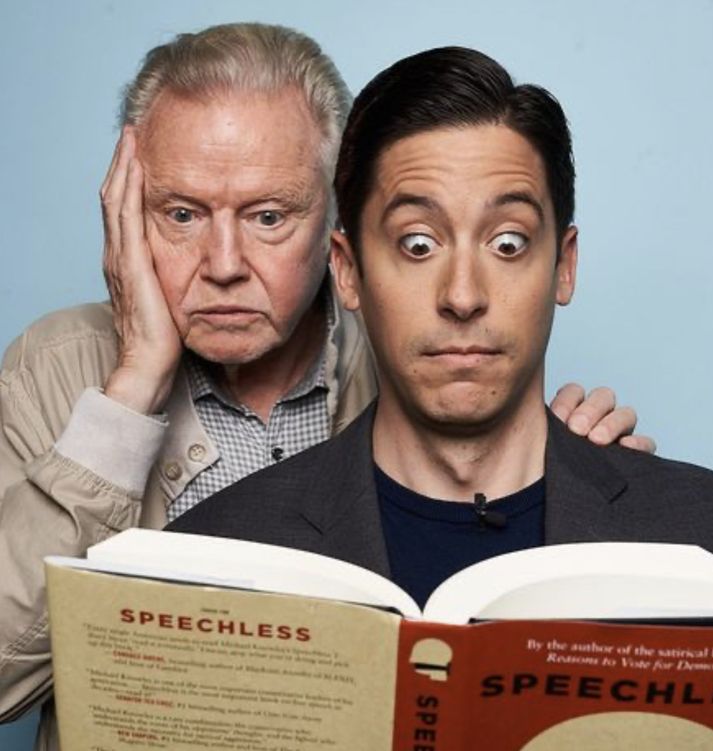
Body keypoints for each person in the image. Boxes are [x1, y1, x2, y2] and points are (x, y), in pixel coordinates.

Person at [0, 24, 649, 749]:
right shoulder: (54, 368)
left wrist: (581, 484)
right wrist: (131, 392)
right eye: (180, 214)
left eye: (268, 216)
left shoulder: (423, 355)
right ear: (125, 213)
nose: (222, 264)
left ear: (335, 230)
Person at [169, 46, 713, 609]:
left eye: (507, 243)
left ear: (564, 267)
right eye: (418, 245)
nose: (463, 296)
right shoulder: (207, 556)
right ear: (347, 271)